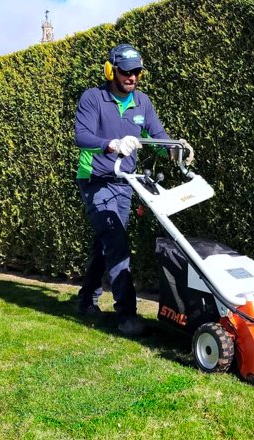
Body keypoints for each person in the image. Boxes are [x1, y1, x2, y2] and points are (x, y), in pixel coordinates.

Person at [74, 43, 193, 336]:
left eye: (137, 72)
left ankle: (86, 298)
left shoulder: (142, 102)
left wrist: (176, 149)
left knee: (107, 244)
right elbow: (82, 135)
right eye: (126, 72)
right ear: (111, 70)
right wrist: (110, 144)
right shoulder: (94, 99)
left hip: (125, 183)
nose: (132, 77)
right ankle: (127, 314)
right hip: (96, 180)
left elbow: (158, 134)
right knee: (117, 244)